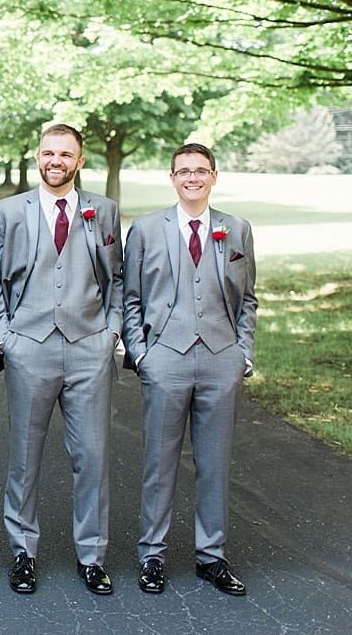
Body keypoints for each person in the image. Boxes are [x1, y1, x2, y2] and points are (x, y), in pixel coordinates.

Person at [0, 124, 123, 596]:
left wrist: (112, 332)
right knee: (25, 457)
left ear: (79, 161)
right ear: (38, 156)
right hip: (29, 345)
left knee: (92, 456)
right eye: (49, 153)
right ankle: (23, 552)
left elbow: (116, 278)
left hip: (90, 347)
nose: (56, 161)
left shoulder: (102, 211)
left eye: (66, 154)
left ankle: (92, 555)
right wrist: (4, 338)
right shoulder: (7, 212)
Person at [122, 143, 257, 596]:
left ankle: (211, 558)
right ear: (172, 178)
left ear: (214, 177)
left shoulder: (236, 230)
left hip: (221, 359)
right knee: (159, 463)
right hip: (165, 358)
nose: (192, 178)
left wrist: (243, 353)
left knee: (215, 463)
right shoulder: (144, 229)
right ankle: (152, 556)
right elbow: (132, 298)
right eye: (184, 172)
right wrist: (142, 353)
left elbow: (249, 299)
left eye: (201, 171)